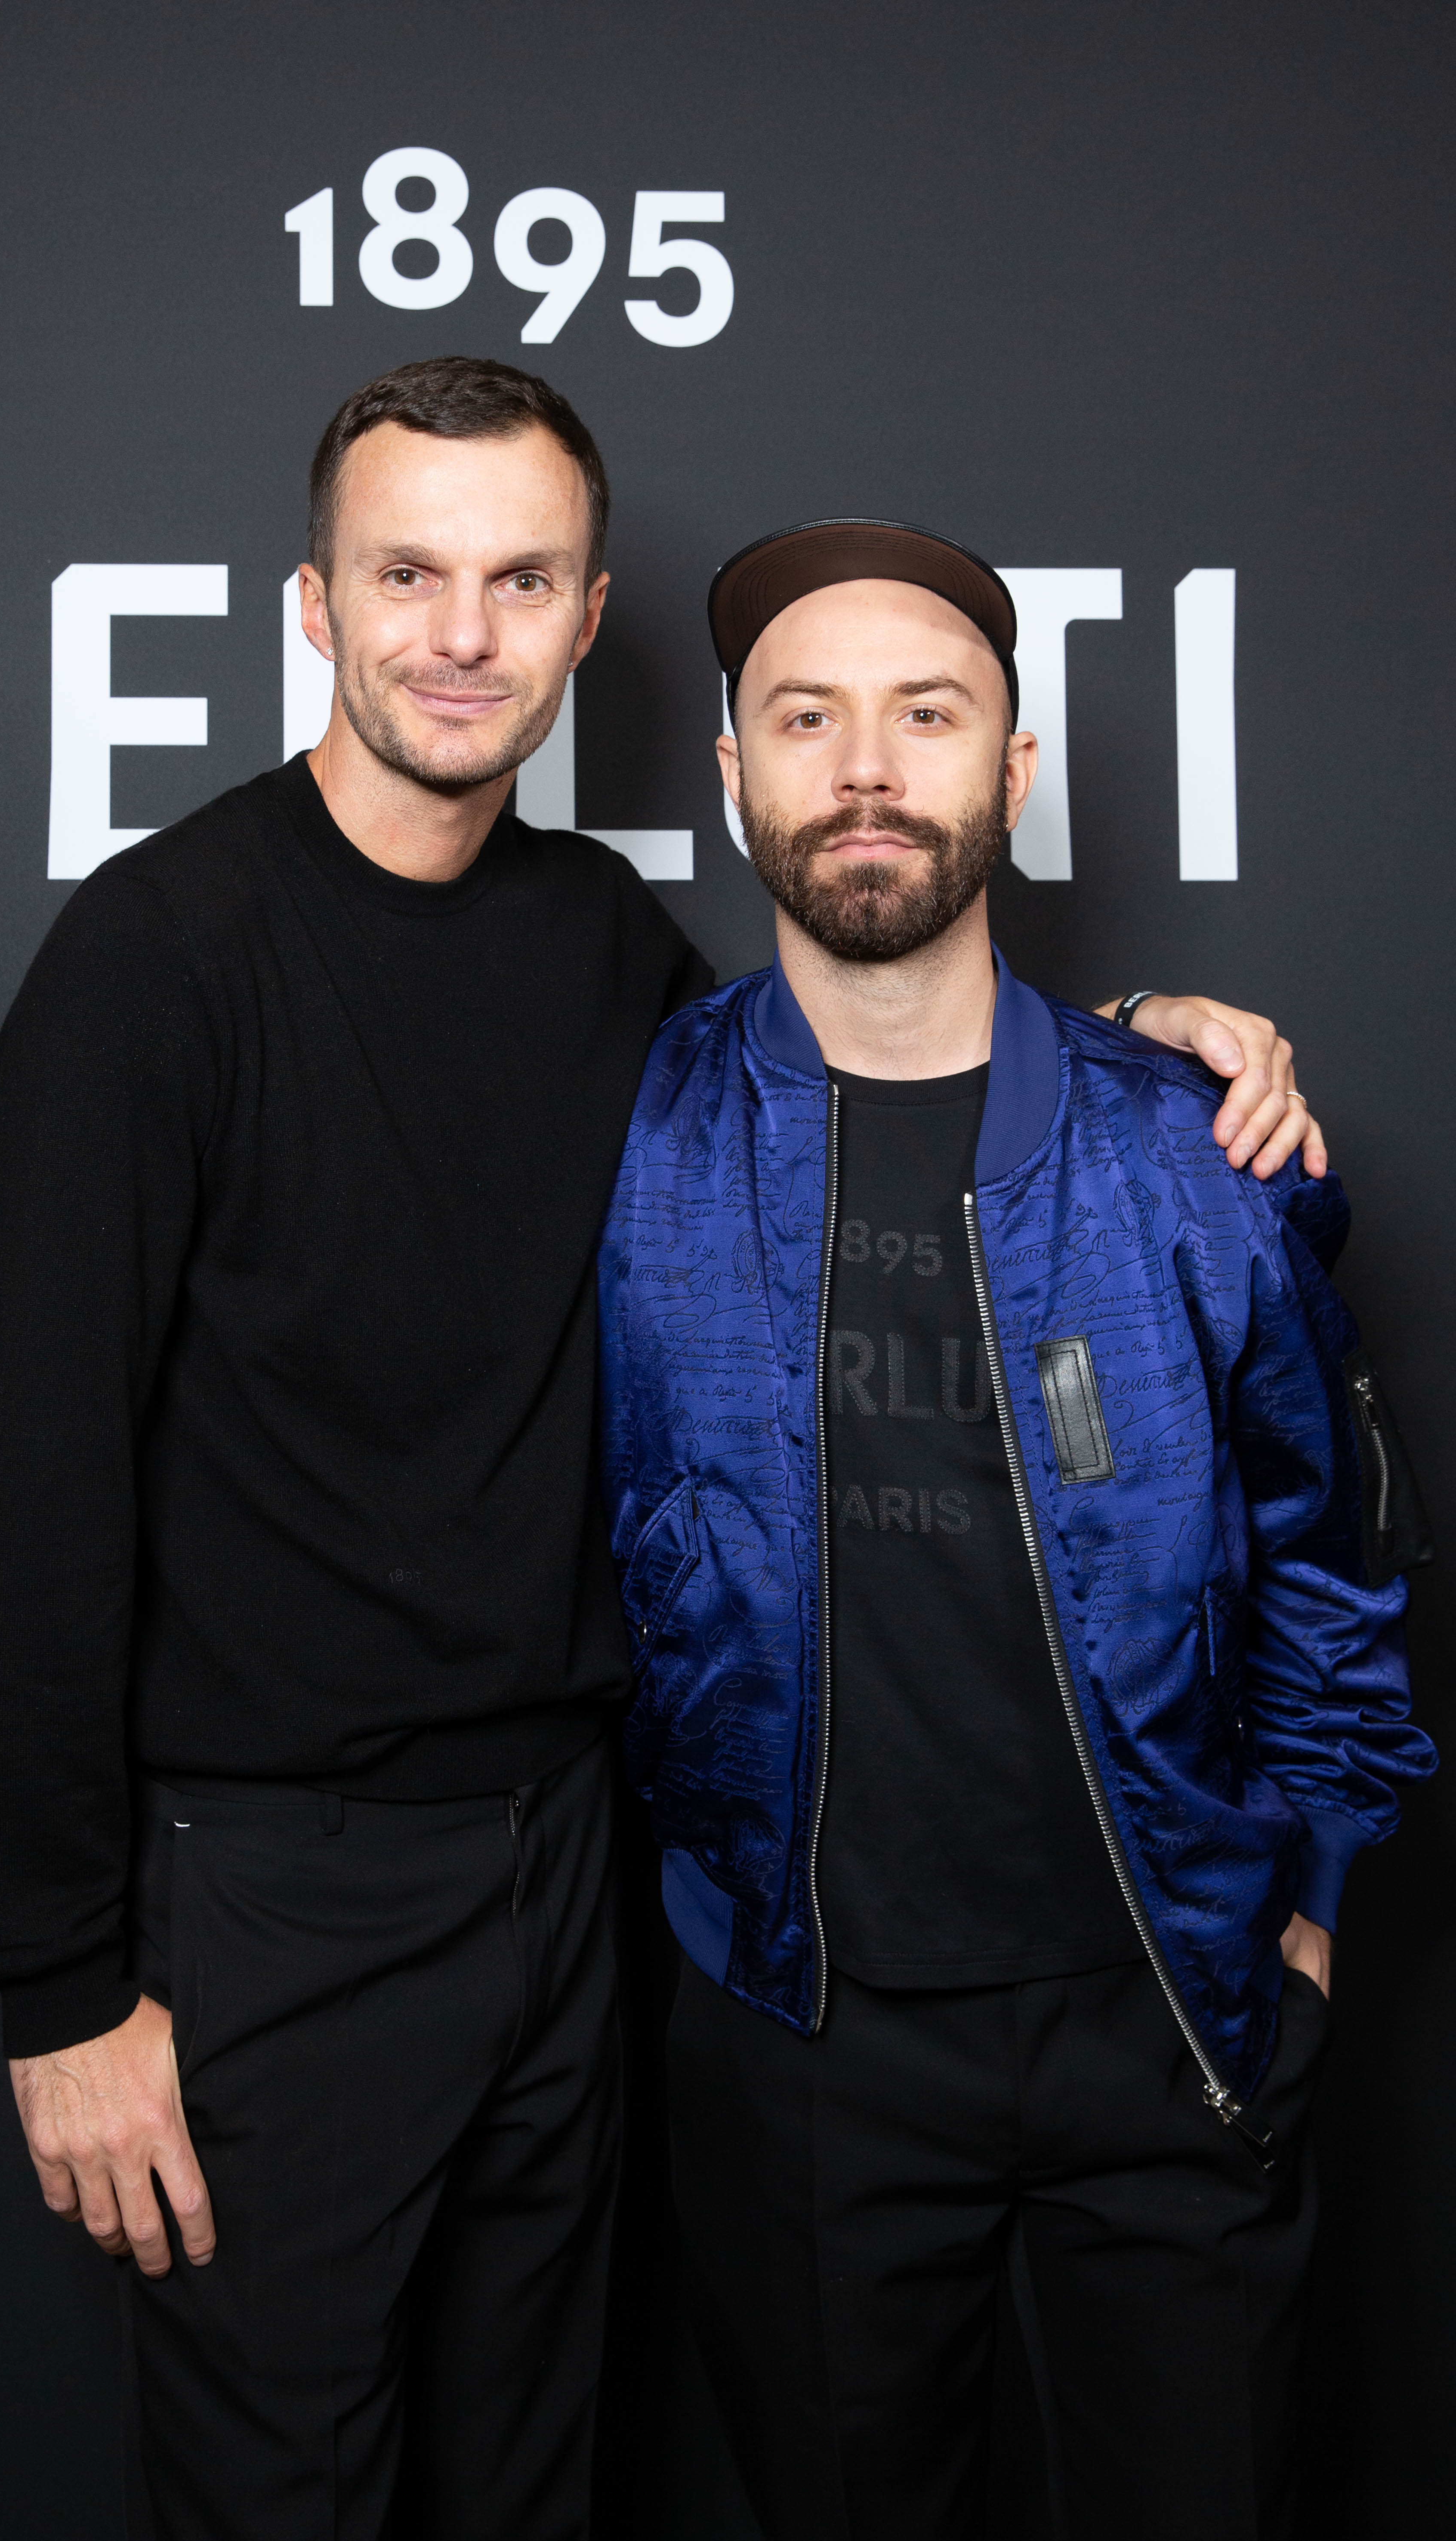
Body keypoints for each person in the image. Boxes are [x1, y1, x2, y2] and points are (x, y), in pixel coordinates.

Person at [0, 360, 1325, 2541]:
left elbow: (874, 1034)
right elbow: (32, 1492)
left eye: (521, 581)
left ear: (590, 620)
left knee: (534, 2483)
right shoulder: (155, 955)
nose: (459, 634)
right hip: (272, 1895)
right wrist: (59, 1983)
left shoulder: (601, 944)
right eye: (406, 574)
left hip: (577, 1886)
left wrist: (1154, 1049)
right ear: (313, 602)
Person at [596, 519, 1437, 2541]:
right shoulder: (625, 1122)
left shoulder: (1193, 1148)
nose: (866, 768)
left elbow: (1331, 1554)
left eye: (927, 714)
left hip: (1168, 2015)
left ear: (1015, 768)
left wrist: (1308, 1903)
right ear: (732, 771)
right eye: (807, 718)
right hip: (803, 2036)